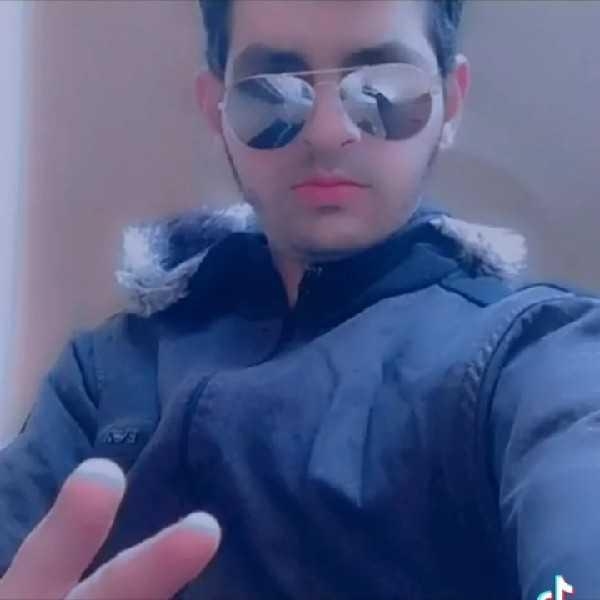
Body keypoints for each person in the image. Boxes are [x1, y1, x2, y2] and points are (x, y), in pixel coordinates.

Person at [0, 0, 598, 597]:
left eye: (382, 89)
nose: (327, 132)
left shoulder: (532, 354)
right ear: (216, 109)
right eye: (273, 93)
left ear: (451, 101)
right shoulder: (106, 372)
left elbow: (574, 570)